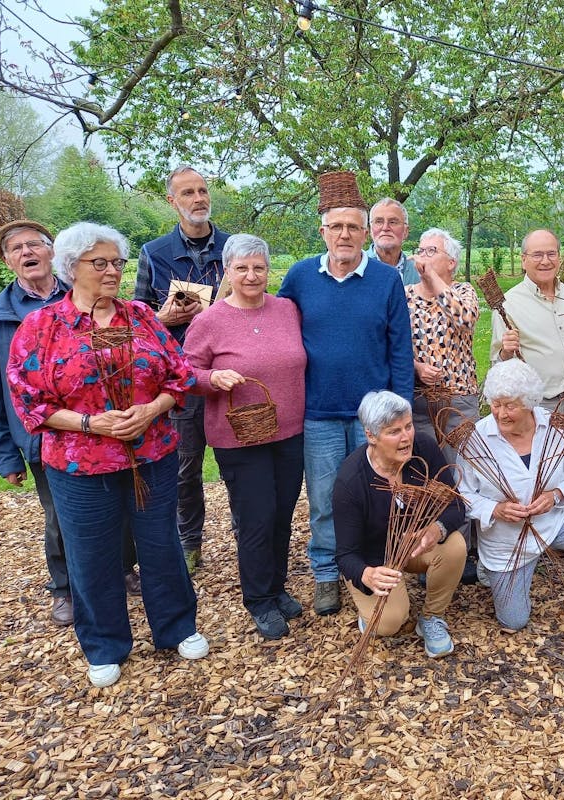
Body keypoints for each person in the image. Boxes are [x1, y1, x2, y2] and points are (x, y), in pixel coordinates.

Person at [6, 222, 207, 688]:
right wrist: (89, 423)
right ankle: (104, 645)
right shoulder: (43, 327)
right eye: (100, 263)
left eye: (117, 262)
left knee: (161, 545)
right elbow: (28, 399)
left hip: (151, 455)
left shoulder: (140, 317)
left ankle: (177, 628)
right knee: (91, 555)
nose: (113, 271)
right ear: (71, 267)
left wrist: (151, 409)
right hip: (80, 465)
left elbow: (179, 375)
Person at [0, 220, 142, 629]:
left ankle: (123, 568)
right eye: (16, 248)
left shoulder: (85, 293)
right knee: (61, 516)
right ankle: (64, 588)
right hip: (47, 435)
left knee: (121, 504)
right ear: (7, 260)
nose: (27, 252)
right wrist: (5, 454)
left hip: (112, 428)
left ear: (54, 252)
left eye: (34, 244)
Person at [278, 170, 414, 617]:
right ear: (323, 232)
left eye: (353, 227)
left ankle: (374, 566)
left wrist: (400, 411)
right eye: (336, 226)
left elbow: (400, 349)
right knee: (323, 498)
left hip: (371, 416)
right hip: (318, 411)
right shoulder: (300, 277)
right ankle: (325, 572)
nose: (344, 235)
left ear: (365, 233)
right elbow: (277, 329)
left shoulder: (385, 280)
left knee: (378, 490)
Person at [183, 234, 307, 640]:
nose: (251, 275)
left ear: (269, 270)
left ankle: (277, 586)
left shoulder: (286, 309)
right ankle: (259, 599)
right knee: (257, 518)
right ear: (227, 271)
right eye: (242, 268)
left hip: (289, 431)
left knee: (283, 515)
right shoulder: (210, 320)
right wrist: (212, 378)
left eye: (259, 267)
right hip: (239, 437)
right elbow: (184, 372)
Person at [459, 360, 564, 644]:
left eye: (510, 406)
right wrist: (495, 509)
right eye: (495, 404)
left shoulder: (553, 427)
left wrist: (555, 496)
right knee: (514, 620)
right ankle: (493, 568)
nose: (500, 413)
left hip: (554, 521)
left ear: (529, 403)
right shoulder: (477, 439)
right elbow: (463, 494)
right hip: (507, 539)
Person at [135, 165, 231, 575]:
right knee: (185, 469)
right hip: (180, 379)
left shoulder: (232, 247)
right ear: (172, 201)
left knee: (239, 464)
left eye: (203, 190)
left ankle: (248, 538)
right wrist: (164, 317)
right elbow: (137, 322)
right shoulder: (153, 253)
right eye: (188, 193)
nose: (198, 199)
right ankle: (190, 543)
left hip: (228, 373)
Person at [333, 391, 466, 657]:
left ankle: (432, 617)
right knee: (389, 623)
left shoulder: (423, 449)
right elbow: (346, 555)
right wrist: (367, 574)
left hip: (415, 547)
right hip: (376, 560)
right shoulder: (351, 481)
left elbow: (456, 505)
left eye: (408, 426)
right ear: (371, 436)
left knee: (454, 545)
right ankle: (371, 611)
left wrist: (435, 529)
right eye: (394, 431)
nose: (406, 437)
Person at [490, 229, 564, 461]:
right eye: (537, 255)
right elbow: (498, 367)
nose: (545, 261)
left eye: (551, 254)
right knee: (539, 471)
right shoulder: (509, 304)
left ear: (559, 257)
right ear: (523, 260)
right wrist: (506, 351)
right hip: (537, 407)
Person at [406, 227, 480, 451]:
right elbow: (392, 344)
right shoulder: (405, 295)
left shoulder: (464, 291)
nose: (423, 256)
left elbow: (465, 319)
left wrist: (432, 277)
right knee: (425, 465)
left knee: (464, 464)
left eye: (431, 251)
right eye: (421, 251)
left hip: (459, 400)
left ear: (451, 262)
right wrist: (417, 367)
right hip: (419, 401)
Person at [366, 198, 419, 285]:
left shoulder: (419, 272)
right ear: (370, 230)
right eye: (379, 222)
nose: (385, 228)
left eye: (393, 222)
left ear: (405, 231)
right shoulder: (355, 266)